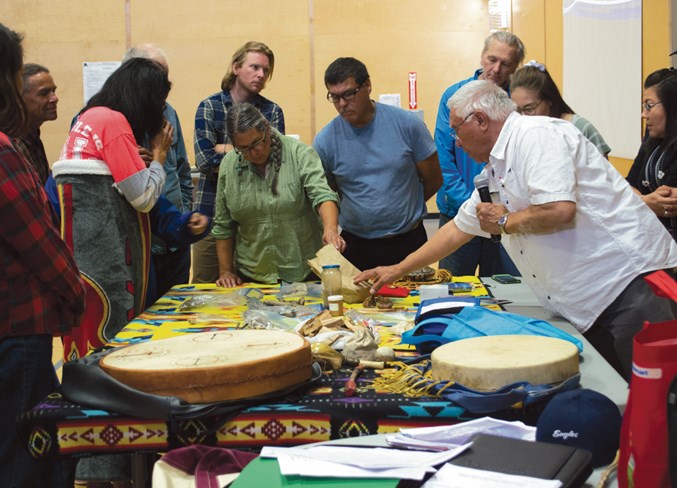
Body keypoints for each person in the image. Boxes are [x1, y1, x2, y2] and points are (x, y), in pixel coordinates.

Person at [355, 80, 677, 380]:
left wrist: (505, 222)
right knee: (622, 399)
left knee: (658, 405)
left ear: (480, 120)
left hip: (629, 287)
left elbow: (558, 209)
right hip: (590, 302)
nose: (455, 140)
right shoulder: (495, 167)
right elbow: (458, 229)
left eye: (456, 130)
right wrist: (397, 269)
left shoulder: (535, 135)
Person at [0, 23, 85, 487]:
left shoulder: (23, 143)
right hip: (18, 327)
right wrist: (76, 295)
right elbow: (38, 240)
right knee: (30, 454)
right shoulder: (4, 149)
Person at [53, 57, 174, 361]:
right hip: (107, 250)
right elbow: (144, 198)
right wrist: (159, 157)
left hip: (85, 249)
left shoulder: (91, 116)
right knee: (112, 321)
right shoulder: (113, 122)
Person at [313, 57, 441, 271]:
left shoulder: (408, 125)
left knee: (414, 302)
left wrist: (400, 207)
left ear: (367, 86)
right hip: (356, 245)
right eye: (334, 97)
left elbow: (434, 179)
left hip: (408, 241)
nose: (342, 104)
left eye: (348, 94)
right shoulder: (325, 140)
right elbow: (328, 194)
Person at [213, 103, 341, 286]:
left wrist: (330, 230)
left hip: (303, 272)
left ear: (266, 128)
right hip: (252, 275)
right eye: (244, 148)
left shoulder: (299, 153)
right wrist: (225, 271)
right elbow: (223, 225)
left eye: (257, 142)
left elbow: (322, 195)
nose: (253, 152)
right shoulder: (229, 165)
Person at [193, 41, 285, 283]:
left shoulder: (272, 110)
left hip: (255, 219)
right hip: (210, 214)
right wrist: (250, 151)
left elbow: (273, 158)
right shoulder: (209, 107)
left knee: (253, 292)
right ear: (235, 67)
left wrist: (223, 148)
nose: (261, 75)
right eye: (254, 67)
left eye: (266, 70)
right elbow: (204, 159)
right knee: (207, 289)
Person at [434, 31, 525, 276]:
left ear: (516, 66)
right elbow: (444, 158)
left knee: (505, 291)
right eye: (491, 59)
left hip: (506, 217)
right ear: (482, 56)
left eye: (505, 63)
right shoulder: (455, 96)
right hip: (458, 210)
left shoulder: (518, 102)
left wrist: (496, 213)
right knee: (452, 289)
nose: (496, 69)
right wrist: (472, 206)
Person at [122, 44, 195, 301]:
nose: (163, 87)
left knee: (177, 316)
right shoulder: (113, 118)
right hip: (140, 246)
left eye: (165, 79)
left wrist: (184, 213)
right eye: (156, 77)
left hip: (175, 241)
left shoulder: (169, 112)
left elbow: (183, 170)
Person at [510, 60, 611, 157]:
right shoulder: (521, 131)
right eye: (518, 110)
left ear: (549, 100)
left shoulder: (580, 127)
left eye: (529, 108)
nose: (523, 116)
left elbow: (604, 173)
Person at [626, 68, 677, 241]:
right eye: (643, 106)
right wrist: (645, 201)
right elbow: (628, 184)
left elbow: (667, 202)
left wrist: (637, 199)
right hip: (653, 242)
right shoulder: (651, 138)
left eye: (649, 106)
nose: (643, 114)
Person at [11, 63, 58, 185]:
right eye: (44, 93)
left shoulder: (32, 135)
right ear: (19, 98)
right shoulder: (12, 144)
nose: (55, 98)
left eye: (53, 91)